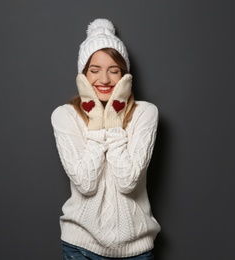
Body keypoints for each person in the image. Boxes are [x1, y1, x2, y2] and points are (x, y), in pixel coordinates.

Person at [51, 18, 161, 259]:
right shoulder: (64, 116)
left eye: (114, 70)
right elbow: (86, 184)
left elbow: (127, 182)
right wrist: (97, 124)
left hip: (137, 248)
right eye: (94, 70)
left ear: (125, 76)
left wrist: (113, 122)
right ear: (83, 75)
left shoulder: (145, 113)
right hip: (81, 246)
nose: (104, 79)